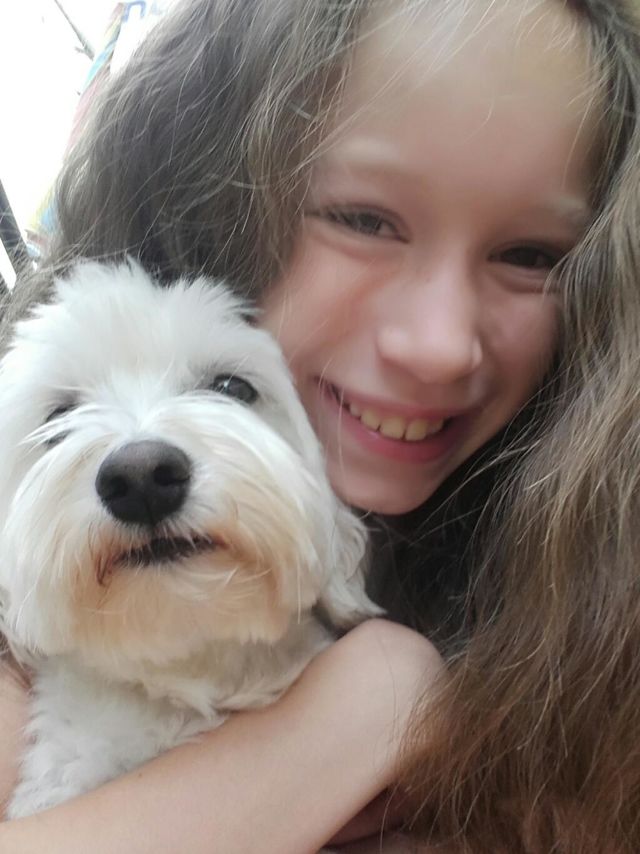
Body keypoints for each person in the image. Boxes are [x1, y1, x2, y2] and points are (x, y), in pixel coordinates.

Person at [0, 0, 638, 851]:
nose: (440, 346)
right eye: (362, 219)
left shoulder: (594, 608)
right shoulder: (29, 661)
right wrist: (374, 701)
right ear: (208, 198)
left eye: (532, 256)